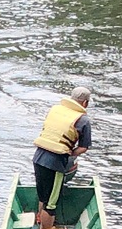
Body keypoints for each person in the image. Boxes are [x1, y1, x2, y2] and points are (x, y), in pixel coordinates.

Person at [32, 84, 93, 215]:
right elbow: (83, 148)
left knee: (43, 196)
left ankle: (39, 223)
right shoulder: (83, 120)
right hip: (55, 163)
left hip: (38, 156)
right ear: (85, 103)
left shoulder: (55, 110)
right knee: (51, 204)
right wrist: (70, 153)